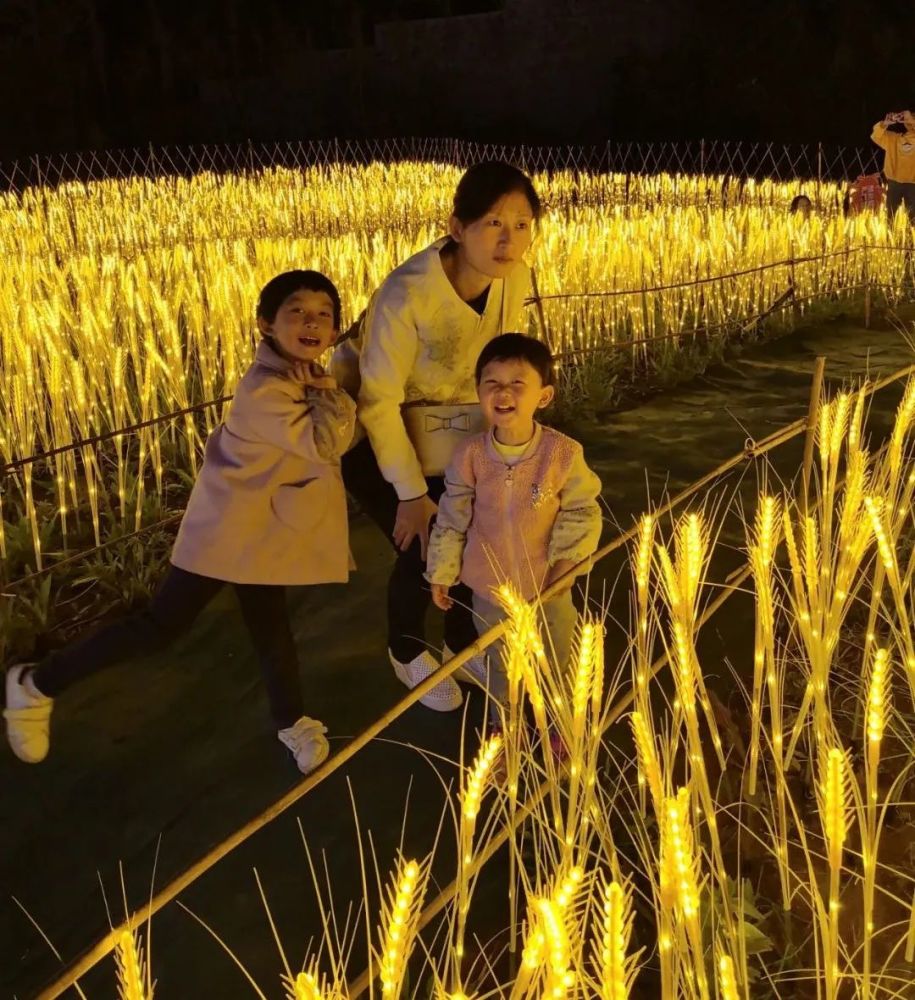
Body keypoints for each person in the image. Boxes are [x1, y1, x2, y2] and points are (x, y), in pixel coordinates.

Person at [4, 270, 356, 774]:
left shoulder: (297, 378)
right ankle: (35, 683)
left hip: (262, 529)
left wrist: (326, 388)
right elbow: (327, 442)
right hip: (228, 530)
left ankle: (292, 719)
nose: (312, 322)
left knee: (272, 626)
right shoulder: (266, 389)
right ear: (265, 324)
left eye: (324, 314)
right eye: (297, 311)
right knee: (160, 626)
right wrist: (332, 389)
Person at [335, 161, 540, 712]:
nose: (508, 239)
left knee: (475, 527)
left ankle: (459, 643)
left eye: (522, 225)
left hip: (449, 426)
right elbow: (377, 403)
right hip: (375, 435)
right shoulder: (408, 295)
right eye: (494, 223)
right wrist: (409, 495)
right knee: (423, 544)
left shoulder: (512, 277)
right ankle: (405, 651)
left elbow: (498, 353)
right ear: (456, 227)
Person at [425, 334, 603, 724]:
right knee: (501, 665)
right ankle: (503, 729)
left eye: (517, 383)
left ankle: (561, 729)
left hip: (549, 588)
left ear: (544, 395)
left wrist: (565, 568)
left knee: (557, 663)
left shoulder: (562, 454)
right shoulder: (470, 455)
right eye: (492, 382)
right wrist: (441, 571)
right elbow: (452, 516)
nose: (503, 392)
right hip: (490, 589)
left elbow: (582, 510)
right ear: (479, 392)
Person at [871, 111, 915, 224]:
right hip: (894, 183)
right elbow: (876, 135)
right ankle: (892, 239)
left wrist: (910, 119)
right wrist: (885, 123)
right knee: (890, 217)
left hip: (913, 184)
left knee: (913, 219)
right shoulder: (892, 139)